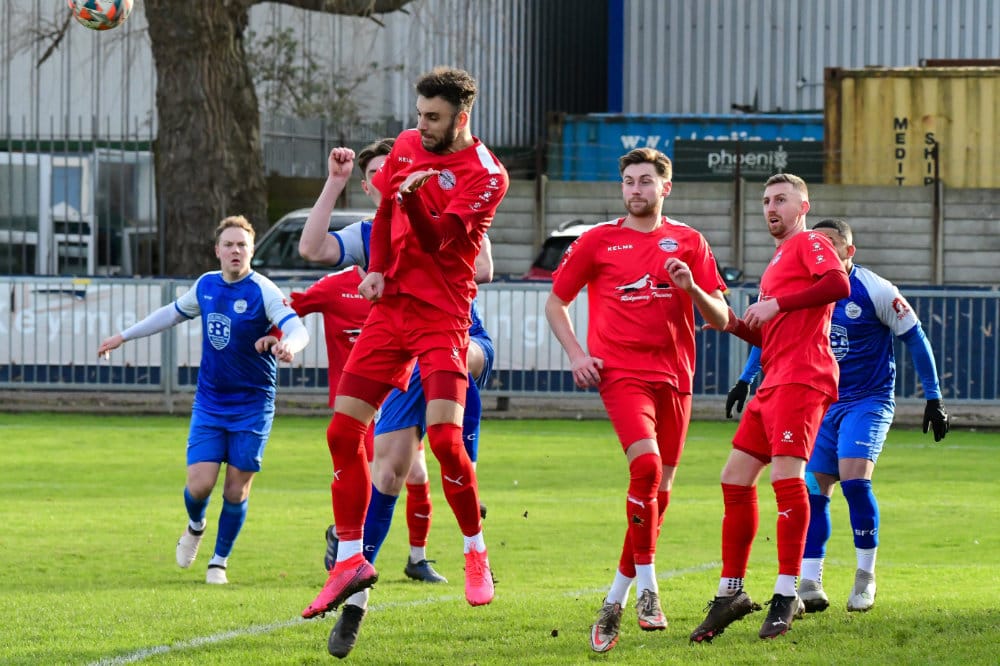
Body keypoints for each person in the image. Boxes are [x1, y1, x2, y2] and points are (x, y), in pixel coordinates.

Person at [300, 67, 508, 630]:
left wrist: (414, 197)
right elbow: (387, 210)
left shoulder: (488, 175)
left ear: (462, 117)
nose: (422, 125)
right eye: (419, 114)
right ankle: (350, 560)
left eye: (433, 117)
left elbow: (440, 239)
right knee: (342, 432)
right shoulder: (410, 145)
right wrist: (380, 269)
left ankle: (474, 550)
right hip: (391, 310)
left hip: (443, 316)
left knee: (443, 441)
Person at [545, 147, 730, 653]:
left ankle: (615, 599)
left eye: (646, 181)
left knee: (659, 491)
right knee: (645, 468)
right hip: (621, 374)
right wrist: (577, 355)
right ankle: (649, 589)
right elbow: (556, 302)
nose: (636, 190)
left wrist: (691, 288)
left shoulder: (689, 242)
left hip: (676, 378)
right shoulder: (597, 240)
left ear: (665, 188)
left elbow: (720, 317)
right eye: (629, 181)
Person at [724, 218, 949, 614]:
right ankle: (811, 580)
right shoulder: (801, 289)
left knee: (855, 480)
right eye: (818, 242)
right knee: (814, 487)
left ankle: (865, 576)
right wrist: (745, 378)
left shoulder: (875, 289)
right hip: (819, 400)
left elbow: (915, 336)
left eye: (831, 243)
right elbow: (770, 335)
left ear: (849, 250)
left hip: (867, 400)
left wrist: (933, 397)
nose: (823, 248)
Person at [97, 215, 309, 585]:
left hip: (253, 405)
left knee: (235, 490)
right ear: (217, 250)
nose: (235, 250)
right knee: (199, 485)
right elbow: (170, 314)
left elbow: (297, 327)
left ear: (251, 250)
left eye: (242, 245)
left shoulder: (263, 290)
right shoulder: (206, 285)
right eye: (229, 244)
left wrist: (288, 344)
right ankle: (196, 525)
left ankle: (219, 562)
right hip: (211, 402)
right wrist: (124, 336)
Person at [689, 173, 850, 643]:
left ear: (803, 206)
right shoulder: (778, 259)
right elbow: (767, 333)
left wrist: (776, 303)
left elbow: (838, 283)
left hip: (803, 376)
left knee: (786, 478)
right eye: (765, 201)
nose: (771, 207)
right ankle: (731, 592)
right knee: (734, 478)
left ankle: (786, 593)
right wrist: (732, 322)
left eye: (781, 199)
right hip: (773, 379)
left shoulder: (810, 243)